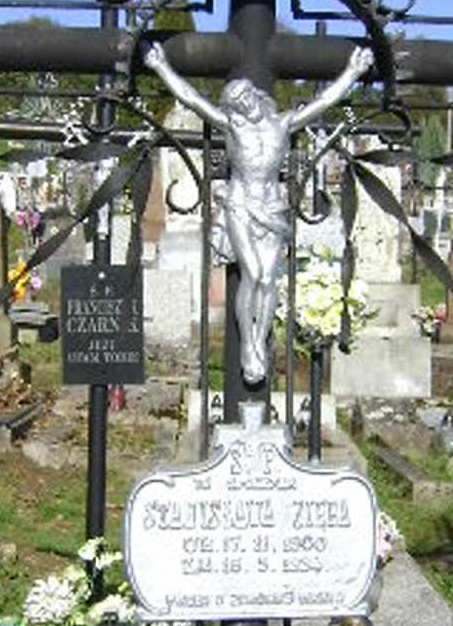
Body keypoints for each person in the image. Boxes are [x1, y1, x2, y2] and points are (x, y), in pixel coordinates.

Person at [143, 41, 374, 384]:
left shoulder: (282, 124)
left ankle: (258, 342)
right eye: (237, 102)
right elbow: (192, 99)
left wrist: (353, 72)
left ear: (254, 96)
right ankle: (247, 347)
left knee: (268, 280)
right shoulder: (232, 126)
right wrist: (161, 67)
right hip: (240, 204)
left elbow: (324, 101)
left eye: (246, 98)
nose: (244, 105)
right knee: (251, 273)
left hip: (272, 208)